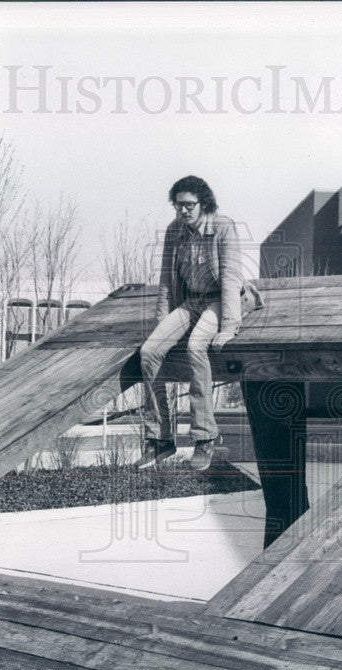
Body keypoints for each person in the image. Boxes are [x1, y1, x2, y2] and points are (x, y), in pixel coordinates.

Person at [135, 176, 260, 471]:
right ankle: (160, 438)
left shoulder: (223, 228)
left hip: (220, 299)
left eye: (189, 205)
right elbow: (166, 280)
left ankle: (205, 437)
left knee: (195, 346)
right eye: (177, 205)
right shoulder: (174, 231)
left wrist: (229, 326)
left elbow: (230, 278)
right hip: (190, 301)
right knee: (149, 351)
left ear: (204, 203)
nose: (183, 211)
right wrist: (160, 321)